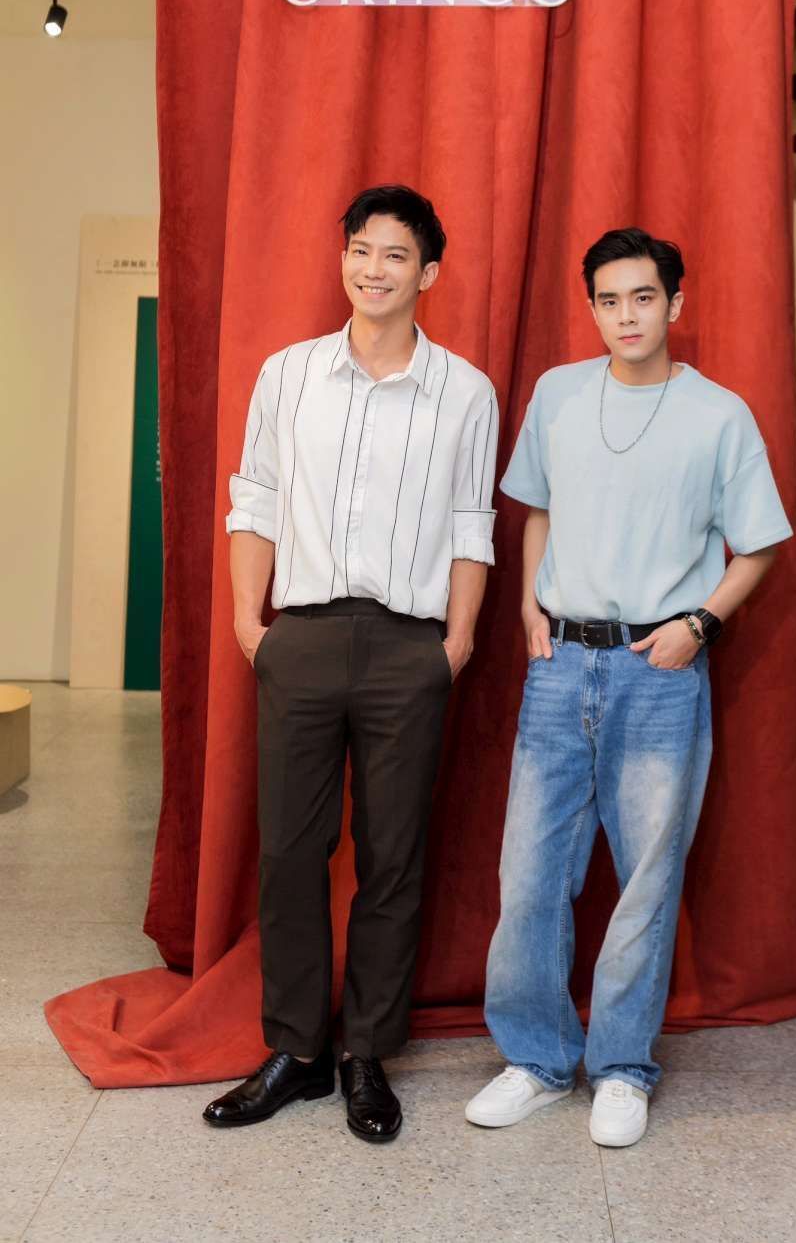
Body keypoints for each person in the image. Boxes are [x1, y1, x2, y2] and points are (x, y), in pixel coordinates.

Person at [465, 227, 792, 1147]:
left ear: (674, 303)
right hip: (559, 663)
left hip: (660, 670)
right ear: (593, 308)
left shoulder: (719, 415)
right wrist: (527, 607)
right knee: (529, 873)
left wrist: (699, 625)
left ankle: (620, 1066)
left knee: (647, 876)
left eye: (643, 297)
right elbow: (537, 509)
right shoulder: (558, 394)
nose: (626, 316)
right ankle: (536, 1058)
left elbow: (760, 544)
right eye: (608, 300)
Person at [204, 184, 499, 1142]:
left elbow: (472, 523)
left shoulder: (466, 392)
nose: (374, 269)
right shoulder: (287, 374)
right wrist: (251, 623)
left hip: (410, 646)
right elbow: (254, 498)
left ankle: (366, 1050)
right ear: (344, 259)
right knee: (290, 850)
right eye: (361, 250)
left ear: (429, 273)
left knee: (392, 854)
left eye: (395, 255)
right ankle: (296, 1049)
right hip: (301, 636)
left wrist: (454, 645)